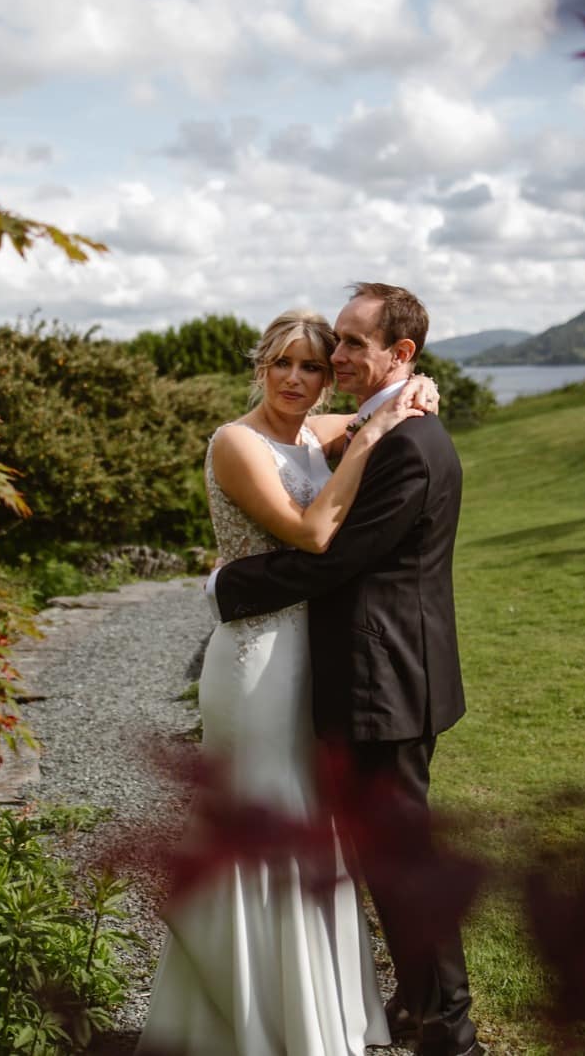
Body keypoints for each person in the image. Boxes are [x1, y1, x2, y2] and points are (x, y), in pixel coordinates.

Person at [138, 307, 437, 1056]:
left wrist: (415, 389)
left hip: (314, 656)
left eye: (314, 363)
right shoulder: (236, 442)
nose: (299, 379)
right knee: (261, 819)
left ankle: (317, 1014)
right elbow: (310, 533)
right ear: (260, 365)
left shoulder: (308, 428)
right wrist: (369, 436)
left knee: (312, 825)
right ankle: (248, 1019)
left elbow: (375, 400)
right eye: (284, 364)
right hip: (257, 660)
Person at [210, 283, 480, 1056]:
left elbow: (338, 559)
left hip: (384, 682)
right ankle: (414, 1002)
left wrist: (232, 585)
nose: (335, 357)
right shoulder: (383, 423)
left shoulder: (406, 443)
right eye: (340, 343)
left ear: (400, 353)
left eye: (353, 344)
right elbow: (321, 430)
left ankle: (451, 1030)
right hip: (376, 676)